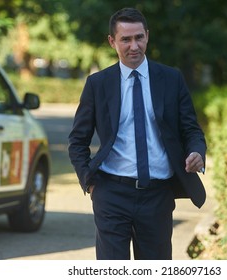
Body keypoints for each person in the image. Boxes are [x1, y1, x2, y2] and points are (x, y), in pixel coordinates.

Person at [68, 7, 207, 260]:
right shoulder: (98, 84)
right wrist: (88, 181)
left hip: (157, 195)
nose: (134, 46)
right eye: (125, 39)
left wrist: (197, 151)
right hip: (111, 192)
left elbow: (191, 129)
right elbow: (78, 140)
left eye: (139, 37)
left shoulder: (171, 79)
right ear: (113, 42)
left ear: (147, 36)